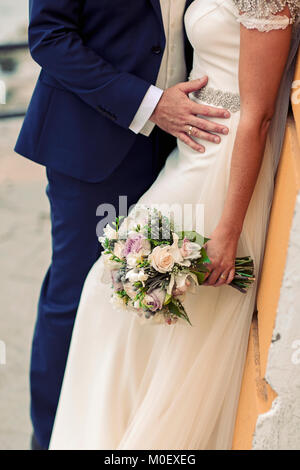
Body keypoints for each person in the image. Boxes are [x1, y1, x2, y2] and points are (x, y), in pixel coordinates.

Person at [49, 0, 300, 450]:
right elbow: (50, 33)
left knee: (159, 310)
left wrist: (228, 229)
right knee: (115, 299)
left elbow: (260, 114)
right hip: (188, 149)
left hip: (222, 161)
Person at [15, 0, 230, 450]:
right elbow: (49, 37)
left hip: (184, 150)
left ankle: (125, 430)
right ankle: (53, 437)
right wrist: (149, 105)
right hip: (96, 139)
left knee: (156, 289)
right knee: (80, 293)